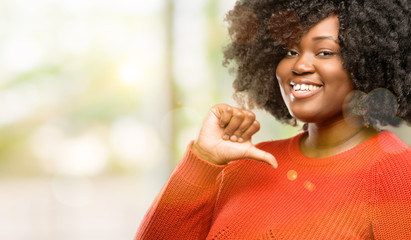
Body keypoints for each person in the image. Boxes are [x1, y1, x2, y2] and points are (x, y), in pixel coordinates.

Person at [135, 0, 411, 239]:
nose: (299, 66)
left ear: (371, 62)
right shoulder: (245, 166)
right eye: (290, 52)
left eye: (325, 52)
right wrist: (203, 159)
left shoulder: (397, 173)